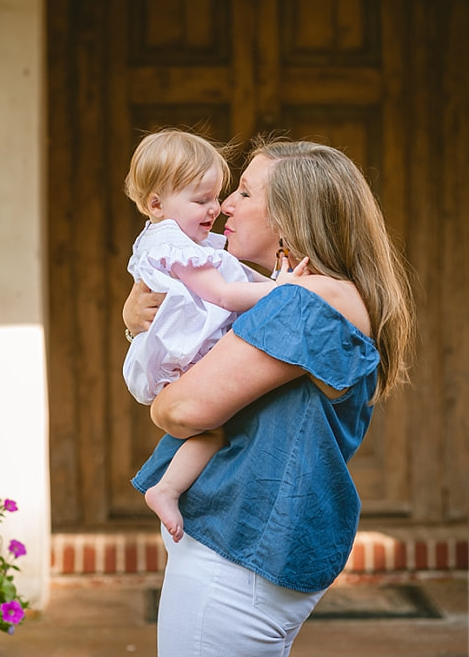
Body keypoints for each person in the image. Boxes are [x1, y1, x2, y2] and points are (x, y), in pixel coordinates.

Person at [124, 136, 414, 656]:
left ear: (290, 217)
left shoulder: (305, 301)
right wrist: (138, 324)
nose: (225, 204)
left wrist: (154, 361)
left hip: (240, 547)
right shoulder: (315, 294)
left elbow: (180, 409)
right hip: (247, 545)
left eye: (245, 192)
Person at [122, 129, 306, 543]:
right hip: (189, 355)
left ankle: (166, 489)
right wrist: (285, 288)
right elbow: (224, 294)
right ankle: (166, 489)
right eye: (201, 200)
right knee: (211, 429)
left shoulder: (175, 241)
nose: (217, 208)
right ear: (156, 204)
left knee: (212, 432)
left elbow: (233, 282)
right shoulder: (176, 245)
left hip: (183, 354)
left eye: (223, 195)